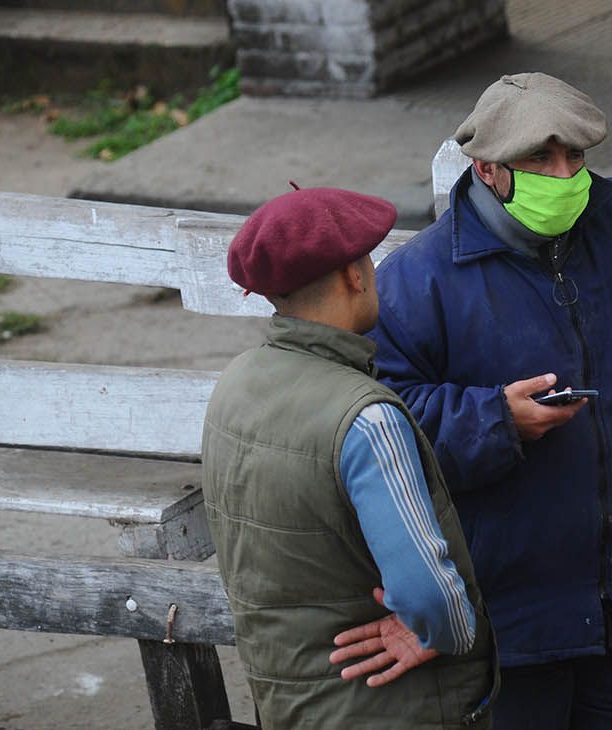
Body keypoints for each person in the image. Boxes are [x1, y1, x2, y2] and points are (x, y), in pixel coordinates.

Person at [363, 72, 612, 728]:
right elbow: (381, 426)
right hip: (510, 622)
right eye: (540, 160)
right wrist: (498, 421)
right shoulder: (417, 282)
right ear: (487, 169)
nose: (565, 174)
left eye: (575, 156)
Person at [201, 186, 497, 729]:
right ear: (353, 276)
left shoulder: (234, 383)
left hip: (290, 703)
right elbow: (431, 600)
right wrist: (446, 630)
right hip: (393, 709)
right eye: (369, 260)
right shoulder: (368, 418)